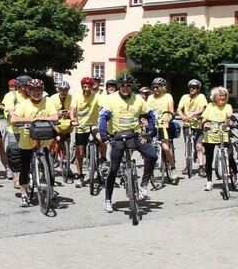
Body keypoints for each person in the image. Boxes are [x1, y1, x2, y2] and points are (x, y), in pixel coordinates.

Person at [99, 73, 157, 213]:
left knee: (153, 156)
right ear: (119, 86)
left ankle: (143, 185)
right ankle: (108, 200)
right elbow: (103, 118)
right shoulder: (110, 99)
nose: (125, 88)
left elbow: (151, 115)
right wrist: (103, 134)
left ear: (132, 86)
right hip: (117, 137)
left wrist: (149, 131)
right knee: (113, 169)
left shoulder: (138, 99)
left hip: (134, 135)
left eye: (129, 85)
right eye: (123, 85)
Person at [11, 78, 59, 207]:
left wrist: (41, 118)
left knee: (49, 167)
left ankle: (51, 192)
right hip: (27, 139)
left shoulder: (48, 101)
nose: (36, 92)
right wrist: (31, 120)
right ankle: (24, 194)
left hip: (43, 139)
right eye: (33, 90)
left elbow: (55, 116)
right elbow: (14, 119)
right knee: (25, 167)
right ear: (28, 91)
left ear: (42, 91)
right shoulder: (24, 104)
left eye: (39, 90)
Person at [69, 77, 103, 187]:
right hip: (81, 127)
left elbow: (104, 106)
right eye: (85, 86)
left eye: (89, 86)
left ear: (92, 87)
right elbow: (72, 109)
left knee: (103, 139)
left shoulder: (97, 97)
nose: (87, 89)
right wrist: (73, 120)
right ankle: (80, 175)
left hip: (94, 126)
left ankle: (103, 160)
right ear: (82, 86)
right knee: (80, 152)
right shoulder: (77, 97)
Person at [201, 86, 236, 191]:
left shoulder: (228, 106)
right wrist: (205, 124)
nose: (222, 98)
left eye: (224, 96)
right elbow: (204, 118)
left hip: (223, 134)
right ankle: (209, 181)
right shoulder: (210, 106)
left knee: (229, 155)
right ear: (215, 97)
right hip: (210, 135)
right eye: (220, 96)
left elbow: (230, 116)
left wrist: (231, 121)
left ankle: (236, 175)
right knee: (209, 158)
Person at [146, 77, 177, 180]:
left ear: (162, 87)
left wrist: (169, 118)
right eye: (153, 87)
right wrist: (144, 120)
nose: (155, 89)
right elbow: (146, 111)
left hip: (164, 124)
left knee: (165, 147)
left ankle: (173, 168)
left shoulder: (167, 96)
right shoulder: (150, 98)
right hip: (153, 124)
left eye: (157, 87)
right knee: (146, 146)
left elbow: (171, 110)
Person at [4, 74, 32, 188]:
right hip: (14, 129)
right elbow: (11, 112)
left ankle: (28, 175)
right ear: (21, 87)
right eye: (27, 86)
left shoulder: (32, 96)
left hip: (28, 130)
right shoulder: (11, 96)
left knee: (28, 154)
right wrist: (16, 119)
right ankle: (16, 178)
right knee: (15, 154)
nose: (29, 88)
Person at [177, 79, 207, 177]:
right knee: (187, 146)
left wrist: (193, 114)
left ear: (198, 89)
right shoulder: (184, 97)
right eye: (190, 87)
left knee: (199, 146)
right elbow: (178, 109)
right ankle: (187, 165)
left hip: (197, 125)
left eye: (194, 87)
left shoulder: (201, 96)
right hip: (187, 125)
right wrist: (182, 116)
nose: (191, 89)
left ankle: (201, 167)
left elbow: (202, 108)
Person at [48, 81, 74, 183]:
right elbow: (49, 111)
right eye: (62, 90)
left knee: (66, 141)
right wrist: (57, 113)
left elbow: (73, 109)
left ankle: (66, 165)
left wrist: (70, 112)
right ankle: (49, 157)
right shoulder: (52, 99)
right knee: (52, 141)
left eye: (66, 90)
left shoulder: (71, 98)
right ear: (58, 90)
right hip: (55, 122)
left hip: (66, 123)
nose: (64, 92)